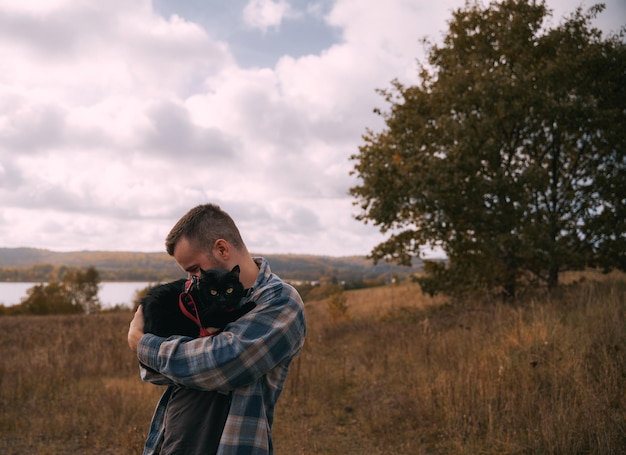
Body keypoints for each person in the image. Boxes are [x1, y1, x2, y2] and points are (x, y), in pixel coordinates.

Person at [128, 203, 306, 454]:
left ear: (222, 249)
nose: (192, 281)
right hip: (173, 440)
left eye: (194, 270)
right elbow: (153, 373)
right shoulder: (198, 295)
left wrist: (142, 344)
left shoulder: (280, 302)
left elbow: (222, 364)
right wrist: (173, 358)